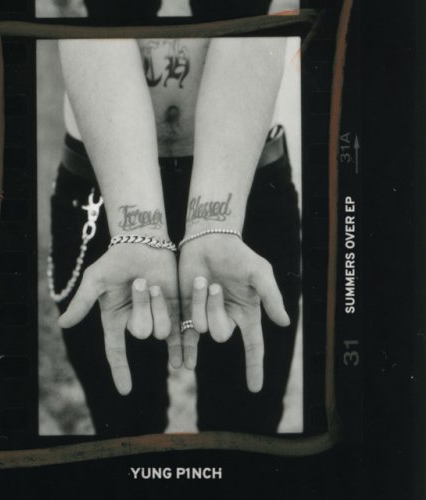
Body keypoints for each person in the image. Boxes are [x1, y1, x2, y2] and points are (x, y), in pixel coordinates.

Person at [47, 0, 301, 438]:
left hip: (244, 171)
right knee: (123, 430)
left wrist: (214, 221)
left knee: (246, 432)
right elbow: (85, 16)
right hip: (103, 178)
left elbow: (255, 22)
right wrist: (137, 228)